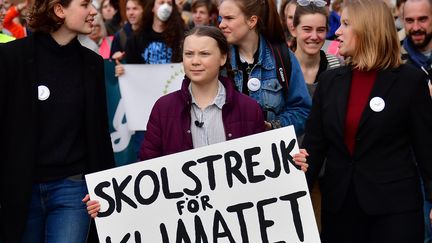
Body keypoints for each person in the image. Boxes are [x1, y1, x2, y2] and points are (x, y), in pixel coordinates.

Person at [85, 25, 310, 217]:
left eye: (204, 54)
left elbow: (262, 168)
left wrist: (290, 163)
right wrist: (109, 201)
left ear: (223, 57)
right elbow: (146, 171)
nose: (195, 61)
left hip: (235, 220)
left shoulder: (249, 110)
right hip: (182, 220)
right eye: (188, 54)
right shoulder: (164, 109)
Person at [302, 0, 432, 242]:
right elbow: (314, 147)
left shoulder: (409, 82)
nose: (336, 32)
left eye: (346, 24)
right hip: (341, 211)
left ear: (369, 29)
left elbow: (427, 149)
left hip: (394, 213)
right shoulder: (330, 82)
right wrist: (290, 196)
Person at [0, 0, 115, 240]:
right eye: (85, 4)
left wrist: (104, 187)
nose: (93, 11)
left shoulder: (92, 64)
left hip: (72, 190)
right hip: (21, 188)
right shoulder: (11, 58)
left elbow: (99, 132)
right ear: (59, 10)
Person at [218, 0, 311, 137]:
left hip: (269, 152)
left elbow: (302, 110)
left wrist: (272, 127)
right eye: (221, 18)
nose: (221, 25)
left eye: (229, 18)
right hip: (229, 155)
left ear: (252, 21)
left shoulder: (283, 57)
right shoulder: (217, 59)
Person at [292, 0, 342, 97]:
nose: (314, 36)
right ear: (294, 30)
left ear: (327, 31)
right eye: (307, 29)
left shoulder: (337, 67)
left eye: (320, 30)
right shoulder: (281, 67)